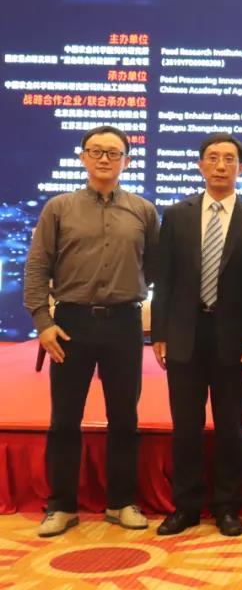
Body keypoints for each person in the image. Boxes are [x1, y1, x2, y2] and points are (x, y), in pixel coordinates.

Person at [24, 125, 159, 537]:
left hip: (124, 324)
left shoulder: (143, 210)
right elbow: (37, 267)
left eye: (113, 153)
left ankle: (121, 502)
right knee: (65, 418)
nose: (104, 159)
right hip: (71, 325)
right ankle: (61, 506)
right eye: (96, 151)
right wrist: (43, 322)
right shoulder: (59, 208)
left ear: (126, 161)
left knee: (125, 418)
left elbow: (155, 267)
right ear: (82, 157)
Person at [151, 133, 242, 537]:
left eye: (229, 159)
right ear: (201, 165)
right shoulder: (177, 215)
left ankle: (227, 507)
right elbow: (165, 279)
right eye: (214, 158)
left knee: (230, 426)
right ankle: (185, 507)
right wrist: (160, 332)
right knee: (185, 426)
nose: (221, 165)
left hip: (233, 339)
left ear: (241, 168)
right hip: (184, 334)